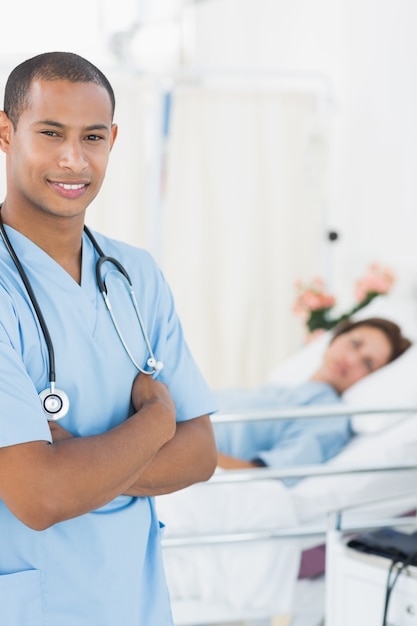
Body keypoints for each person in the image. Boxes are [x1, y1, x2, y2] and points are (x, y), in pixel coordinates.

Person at [0, 52, 218, 625]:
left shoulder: (135, 273)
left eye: (92, 137)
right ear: (5, 132)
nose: (74, 159)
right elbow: (39, 499)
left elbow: (201, 453)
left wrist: (74, 466)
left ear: (113, 140)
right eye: (51, 133)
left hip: (135, 603)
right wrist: (155, 423)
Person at [213, 317, 411, 479]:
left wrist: (190, 454)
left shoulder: (330, 418)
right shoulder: (282, 390)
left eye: (368, 363)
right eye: (354, 344)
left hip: (190, 448)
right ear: (336, 338)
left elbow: (266, 476)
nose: (351, 360)